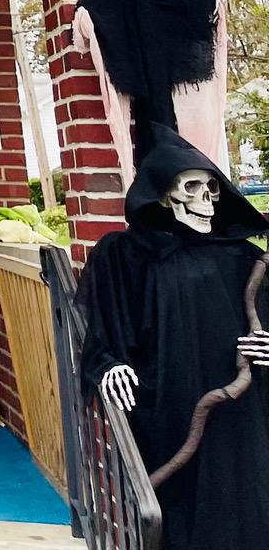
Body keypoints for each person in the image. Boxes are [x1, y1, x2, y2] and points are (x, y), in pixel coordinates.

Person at [76, 125, 269, 550]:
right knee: (176, 501)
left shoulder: (241, 255)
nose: (205, 200)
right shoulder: (126, 253)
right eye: (192, 188)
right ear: (164, 195)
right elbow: (106, 326)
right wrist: (109, 362)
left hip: (238, 401)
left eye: (212, 189)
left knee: (241, 496)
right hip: (170, 397)